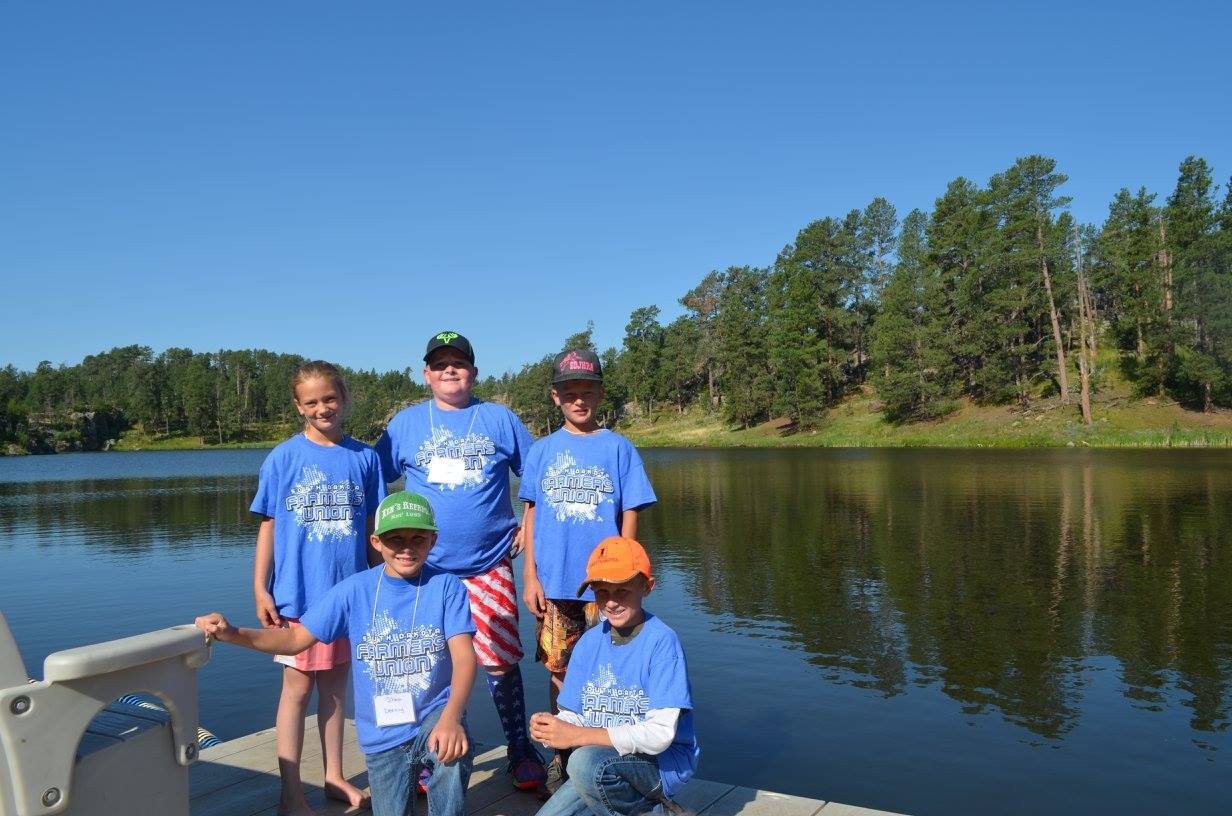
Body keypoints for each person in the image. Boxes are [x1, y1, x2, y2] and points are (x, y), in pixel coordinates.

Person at [197, 491, 476, 816]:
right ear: (375, 542)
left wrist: (452, 717)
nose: (406, 547)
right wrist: (233, 634)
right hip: (383, 732)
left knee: (452, 755)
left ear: (433, 540)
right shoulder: (354, 591)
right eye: (395, 538)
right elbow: (295, 640)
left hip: (433, 714)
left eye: (418, 538)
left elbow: (464, 658)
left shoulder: (446, 587)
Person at [375, 330, 546, 789]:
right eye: (440, 364)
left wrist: (529, 527)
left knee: (499, 661)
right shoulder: (406, 424)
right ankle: (439, 755)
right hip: (424, 572)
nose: (450, 370)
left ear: (473, 372)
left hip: (488, 564)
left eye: (459, 363)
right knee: (433, 666)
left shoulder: (500, 419)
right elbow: (371, 478)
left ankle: (518, 749)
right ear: (426, 374)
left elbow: (537, 477)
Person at [249, 360, 385, 815]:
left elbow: (373, 529)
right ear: (298, 406)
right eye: (312, 402)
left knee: (334, 692)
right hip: (298, 597)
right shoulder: (283, 458)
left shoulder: (364, 458)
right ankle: (290, 793)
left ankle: (333, 776)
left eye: (329, 398)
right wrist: (261, 589)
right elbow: (268, 526)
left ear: (344, 398)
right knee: (296, 690)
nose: (322, 408)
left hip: (349, 595)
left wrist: (381, 585)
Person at [519, 349, 657, 789]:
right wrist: (530, 576)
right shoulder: (542, 451)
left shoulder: (618, 448)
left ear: (600, 393)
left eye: (587, 392)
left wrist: (629, 574)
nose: (579, 401)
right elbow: (532, 515)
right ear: (555, 397)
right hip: (556, 583)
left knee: (608, 670)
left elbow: (630, 511)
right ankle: (563, 753)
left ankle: (605, 754)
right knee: (560, 670)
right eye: (570, 393)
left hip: (606, 586)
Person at [530, 537, 699, 816]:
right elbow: (574, 715)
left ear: (647, 587)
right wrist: (554, 728)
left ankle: (655, 809)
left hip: (656, 765)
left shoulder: (662, 642)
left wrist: (578, 735)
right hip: (602, 761)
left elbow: (660, 735)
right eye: (601, 591)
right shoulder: (588, 642)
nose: (611, 602)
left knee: (582, 762)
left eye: (622, 591)